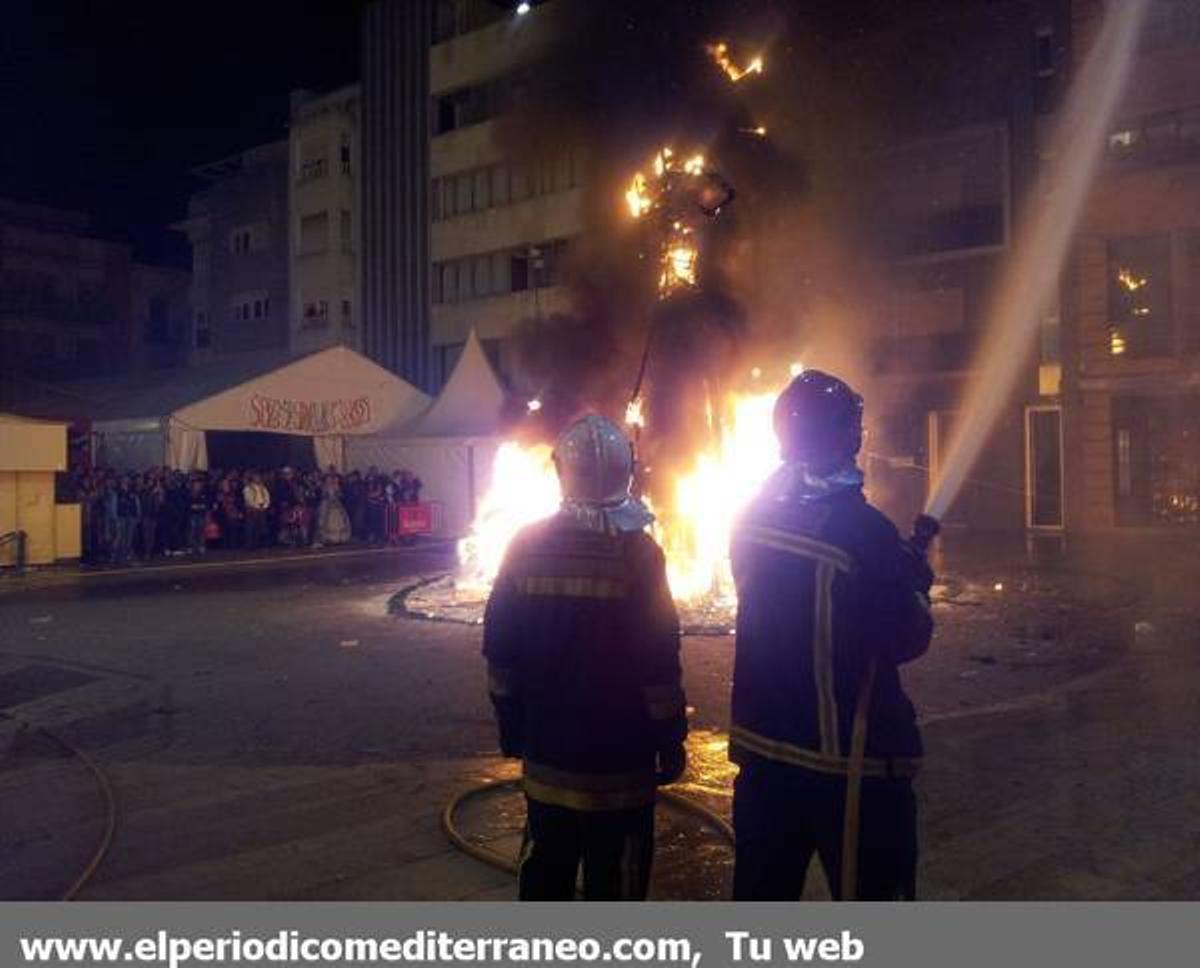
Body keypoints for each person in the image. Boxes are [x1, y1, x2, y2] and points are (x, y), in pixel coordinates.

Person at [728, 370, 935, 902]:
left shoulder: (749, 517)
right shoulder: (865, 532)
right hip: (850, 768)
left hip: (762, 760)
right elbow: (905, 638)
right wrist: (913, 586)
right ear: (846, 435)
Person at [482, 414, 687, 901]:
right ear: (628, 471)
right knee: (615, 879)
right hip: (622, 762)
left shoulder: (525, 546)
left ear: (560, 470)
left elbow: (501, 651)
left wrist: (511, 723)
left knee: (546, 871)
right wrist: (670, 738)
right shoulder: (639, 554)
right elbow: (659, 663)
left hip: (549, 755)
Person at [315, 473, 352, 546]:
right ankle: (328, 538)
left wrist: (337, 493)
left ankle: (339, 538)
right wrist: (326, 495)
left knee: (339, 520)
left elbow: (340, 495)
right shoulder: (323, 487)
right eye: (327, 479)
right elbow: (322, 496)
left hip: (336, 504)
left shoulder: (336, 486)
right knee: (324, 520)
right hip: (326, 505)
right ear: (325, 480)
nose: (329, 480)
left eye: (330, 479)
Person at [243, 472, 271, 550]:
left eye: (258, 477)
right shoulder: (248, 488)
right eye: (256, 477)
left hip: (262, 509)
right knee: (251, 528)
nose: (258, 478)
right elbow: (248, 499)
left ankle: (258, 544)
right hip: (252, 509)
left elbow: (267, 497)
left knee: (261, 528)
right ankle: (250, 545)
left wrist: (265, 506)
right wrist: (257, 507)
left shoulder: (263, 487)